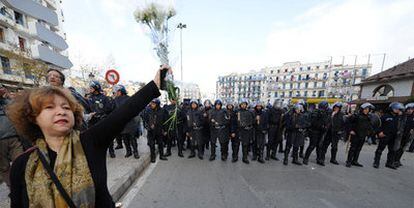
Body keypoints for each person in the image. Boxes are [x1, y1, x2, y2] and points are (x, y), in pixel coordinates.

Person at [7, 66, 164, 207]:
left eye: (66, 107)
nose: (61, 111)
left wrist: (155, 85)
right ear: (33, 117)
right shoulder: (22, 164)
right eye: (49, 107)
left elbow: (122, 113)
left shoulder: (90, 141)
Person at [0, 84, 23, 187]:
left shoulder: (8, 103)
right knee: (4, 167)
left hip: (14, 138)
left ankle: (24, 187)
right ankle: (12, 189)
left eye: (1, 87)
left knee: (21, 162)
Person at [373, 102, 405, 169]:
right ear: (392, 108)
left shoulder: (399, 117)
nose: (398, 110)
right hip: (385, 135)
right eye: (396, 109)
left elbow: (403, 124)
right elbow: (378, 125)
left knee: (392, 151)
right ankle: (376, 162)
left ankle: (389, 163)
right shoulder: (385, 116)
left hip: (394, 137)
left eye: (399, 109)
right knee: (380, 150)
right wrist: (379, 132)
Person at [113, 85, 140, 159]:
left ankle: (135, 152)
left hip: (130, 122)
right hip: (122, 123)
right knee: (125, 139)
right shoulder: (115, 100)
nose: (116, 93)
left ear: (121, 91)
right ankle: (128, 152)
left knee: (132, 139)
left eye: (118, 91)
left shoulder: (129, 98)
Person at [346, 102, 375, 168]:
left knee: (358, 149)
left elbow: (369, 126)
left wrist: (370, 133)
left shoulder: (368, 117)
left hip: (363, 135)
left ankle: (355, 161)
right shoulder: (356, 116)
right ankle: (349, 161)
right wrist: (350, 130)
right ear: (362, 109)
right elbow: (348, 122)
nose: (366, 110)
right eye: (365, 109)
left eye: (368, 109)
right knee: (352, 148)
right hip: (356, 135)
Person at [303, 101, 330, 166]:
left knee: (319, 146)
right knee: (312, 145)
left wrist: (325, 127)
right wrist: (321, 126)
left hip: (321, 131)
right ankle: (306, 158)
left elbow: (327, 121)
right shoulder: (315, 112)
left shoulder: (326, 113)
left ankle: (319, 159)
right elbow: (313, 123)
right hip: (314, 131)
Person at [145, 98, 168, 163]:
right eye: (152, 103)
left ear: (157, 104)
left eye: (154, 104)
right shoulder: (148, 110)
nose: (152, 105)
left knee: (160, 144)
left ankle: (162, 155)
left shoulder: (162, 111)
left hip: (159, 130)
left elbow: (165, 121)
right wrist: (149, 125)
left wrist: (165, 130)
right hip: (151, 131)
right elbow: (145, 119)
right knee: (152, 145)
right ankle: (153, 157)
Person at [236, 99, 255, 164]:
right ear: (240, 105)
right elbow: (234, 122)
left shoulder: (249, 112)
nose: (243, 105)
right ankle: (235, 157)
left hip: (246, 131)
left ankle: (245, 158)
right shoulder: (237, 112)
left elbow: (252, 121)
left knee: (245, 144)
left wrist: (249, 126)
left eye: (245, 104)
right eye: (242, 104)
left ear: (246, 105)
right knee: (236, 144)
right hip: (238, 130)